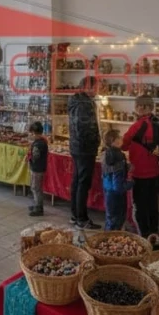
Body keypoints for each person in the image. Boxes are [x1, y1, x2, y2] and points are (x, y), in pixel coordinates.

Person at [121, 95, 159, 239]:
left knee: (140, 206)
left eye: (137, 106)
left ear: (141, 107)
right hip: (156, 172)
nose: (136, 108)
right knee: (153, 205)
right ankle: (154, 233)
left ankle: (144, 237)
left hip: (140, 172)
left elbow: (123, 144)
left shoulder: (136, 126)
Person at [68, 76, 101, 230]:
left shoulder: (76, 101)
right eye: (95, 87)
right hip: (84, 149)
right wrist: (95, 141)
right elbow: (83, 128)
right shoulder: (84, 104)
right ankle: (81, 218)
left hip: (77, 147)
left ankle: (75, 215)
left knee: (77, 181)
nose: (97, 90)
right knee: (82, 183)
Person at [101, 129, 133, 231]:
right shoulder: (118, 157)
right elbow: (118, 185)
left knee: (110, 218)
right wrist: (130, 183)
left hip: (108, 190)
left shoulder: (106, 154)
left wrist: (126, 167)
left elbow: (108, 173)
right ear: (114, 141)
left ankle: (107, 239)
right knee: (116, 221)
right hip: (116, 195)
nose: (122, 138)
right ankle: (111, 242)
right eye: (119, 137)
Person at [27, 121, 49, 217]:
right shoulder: (42, 141)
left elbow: (35, 156)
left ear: (34, 133)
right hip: (38, 168)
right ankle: (36, 204)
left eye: (31, 133)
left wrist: (29, 157)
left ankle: (39, 207)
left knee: (36, 188)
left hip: (37, 169)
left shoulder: (38, 144)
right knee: (35, 187)